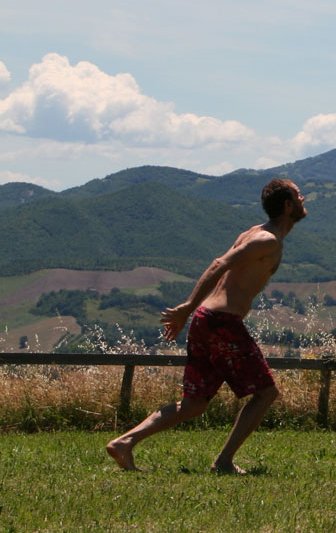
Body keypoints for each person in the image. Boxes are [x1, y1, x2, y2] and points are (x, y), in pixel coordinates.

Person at [107, 178, 307, 473]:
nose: (304, 199)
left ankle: (124, 442)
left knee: (194, 404)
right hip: (220, 322)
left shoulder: (255, 232)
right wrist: (186, 307)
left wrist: (192, 312)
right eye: (299, 195)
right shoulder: (266, 240)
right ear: (288, 205)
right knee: (266, 393)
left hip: (207, 320)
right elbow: (219, 264)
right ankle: (224, 462)